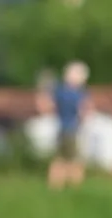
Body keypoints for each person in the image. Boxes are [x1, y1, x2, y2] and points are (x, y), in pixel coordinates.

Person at [37, 60, 92, 189]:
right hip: (73, 128)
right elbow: (84, 111)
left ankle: (55, 186)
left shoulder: (59, 91)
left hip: (60, 128)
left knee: (59, 158)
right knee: (75, 159)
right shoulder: (79, 93)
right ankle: (75, 187)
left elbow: (47, 106)